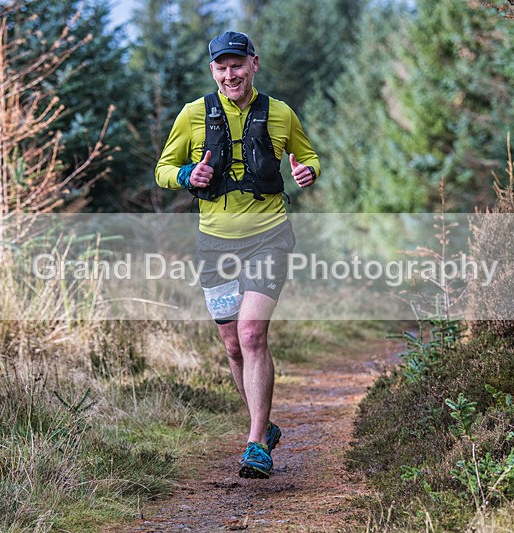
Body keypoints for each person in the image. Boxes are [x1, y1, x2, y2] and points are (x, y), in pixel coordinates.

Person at [155, 31, 320, 479]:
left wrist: (307, 170)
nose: (231, 74)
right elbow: (163, 171)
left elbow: (307, 156)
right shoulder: (193, 114)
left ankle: (254, 445)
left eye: (238, 65)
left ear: (254, 64)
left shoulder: (280, 113)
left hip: (269, 236)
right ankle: (263, 428)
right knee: (232, 344)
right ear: (213, 70)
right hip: (214, 242)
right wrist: (189, 172)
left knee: (250, 334)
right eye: (222, 67)